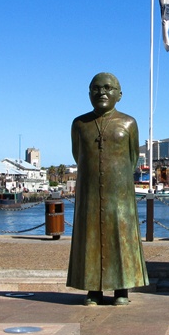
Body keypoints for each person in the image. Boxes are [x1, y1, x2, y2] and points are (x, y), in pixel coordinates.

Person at [66, 72, 148, 305]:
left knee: (122, 238)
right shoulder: (79, 124)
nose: (102, 92)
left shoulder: (129, 123)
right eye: (96, 88)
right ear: (89, 93)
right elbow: (78, 155)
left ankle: (122, 289)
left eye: (108, 88)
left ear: (119, 95)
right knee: (89, 238)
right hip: (89, 192)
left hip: (119, 193)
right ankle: (93, 289)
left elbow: (132, 157)